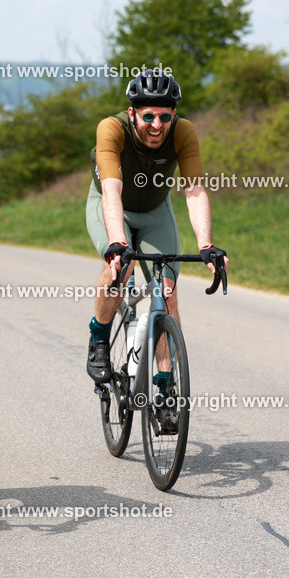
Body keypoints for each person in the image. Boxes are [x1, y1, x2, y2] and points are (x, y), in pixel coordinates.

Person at [85, 70, 228, 430]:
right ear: (133, 113)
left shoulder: (183, 132)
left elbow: (194, 191)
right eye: (148, 116)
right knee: (120, 269)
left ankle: (165, 391)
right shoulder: (111, 129)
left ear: (173, 116)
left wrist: (206, 245)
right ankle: (99, 337)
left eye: (165, 117)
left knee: (166, 292)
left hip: (154, 211)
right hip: (110, 204)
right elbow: (113, 191)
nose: (156, 125)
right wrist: (118, 242)